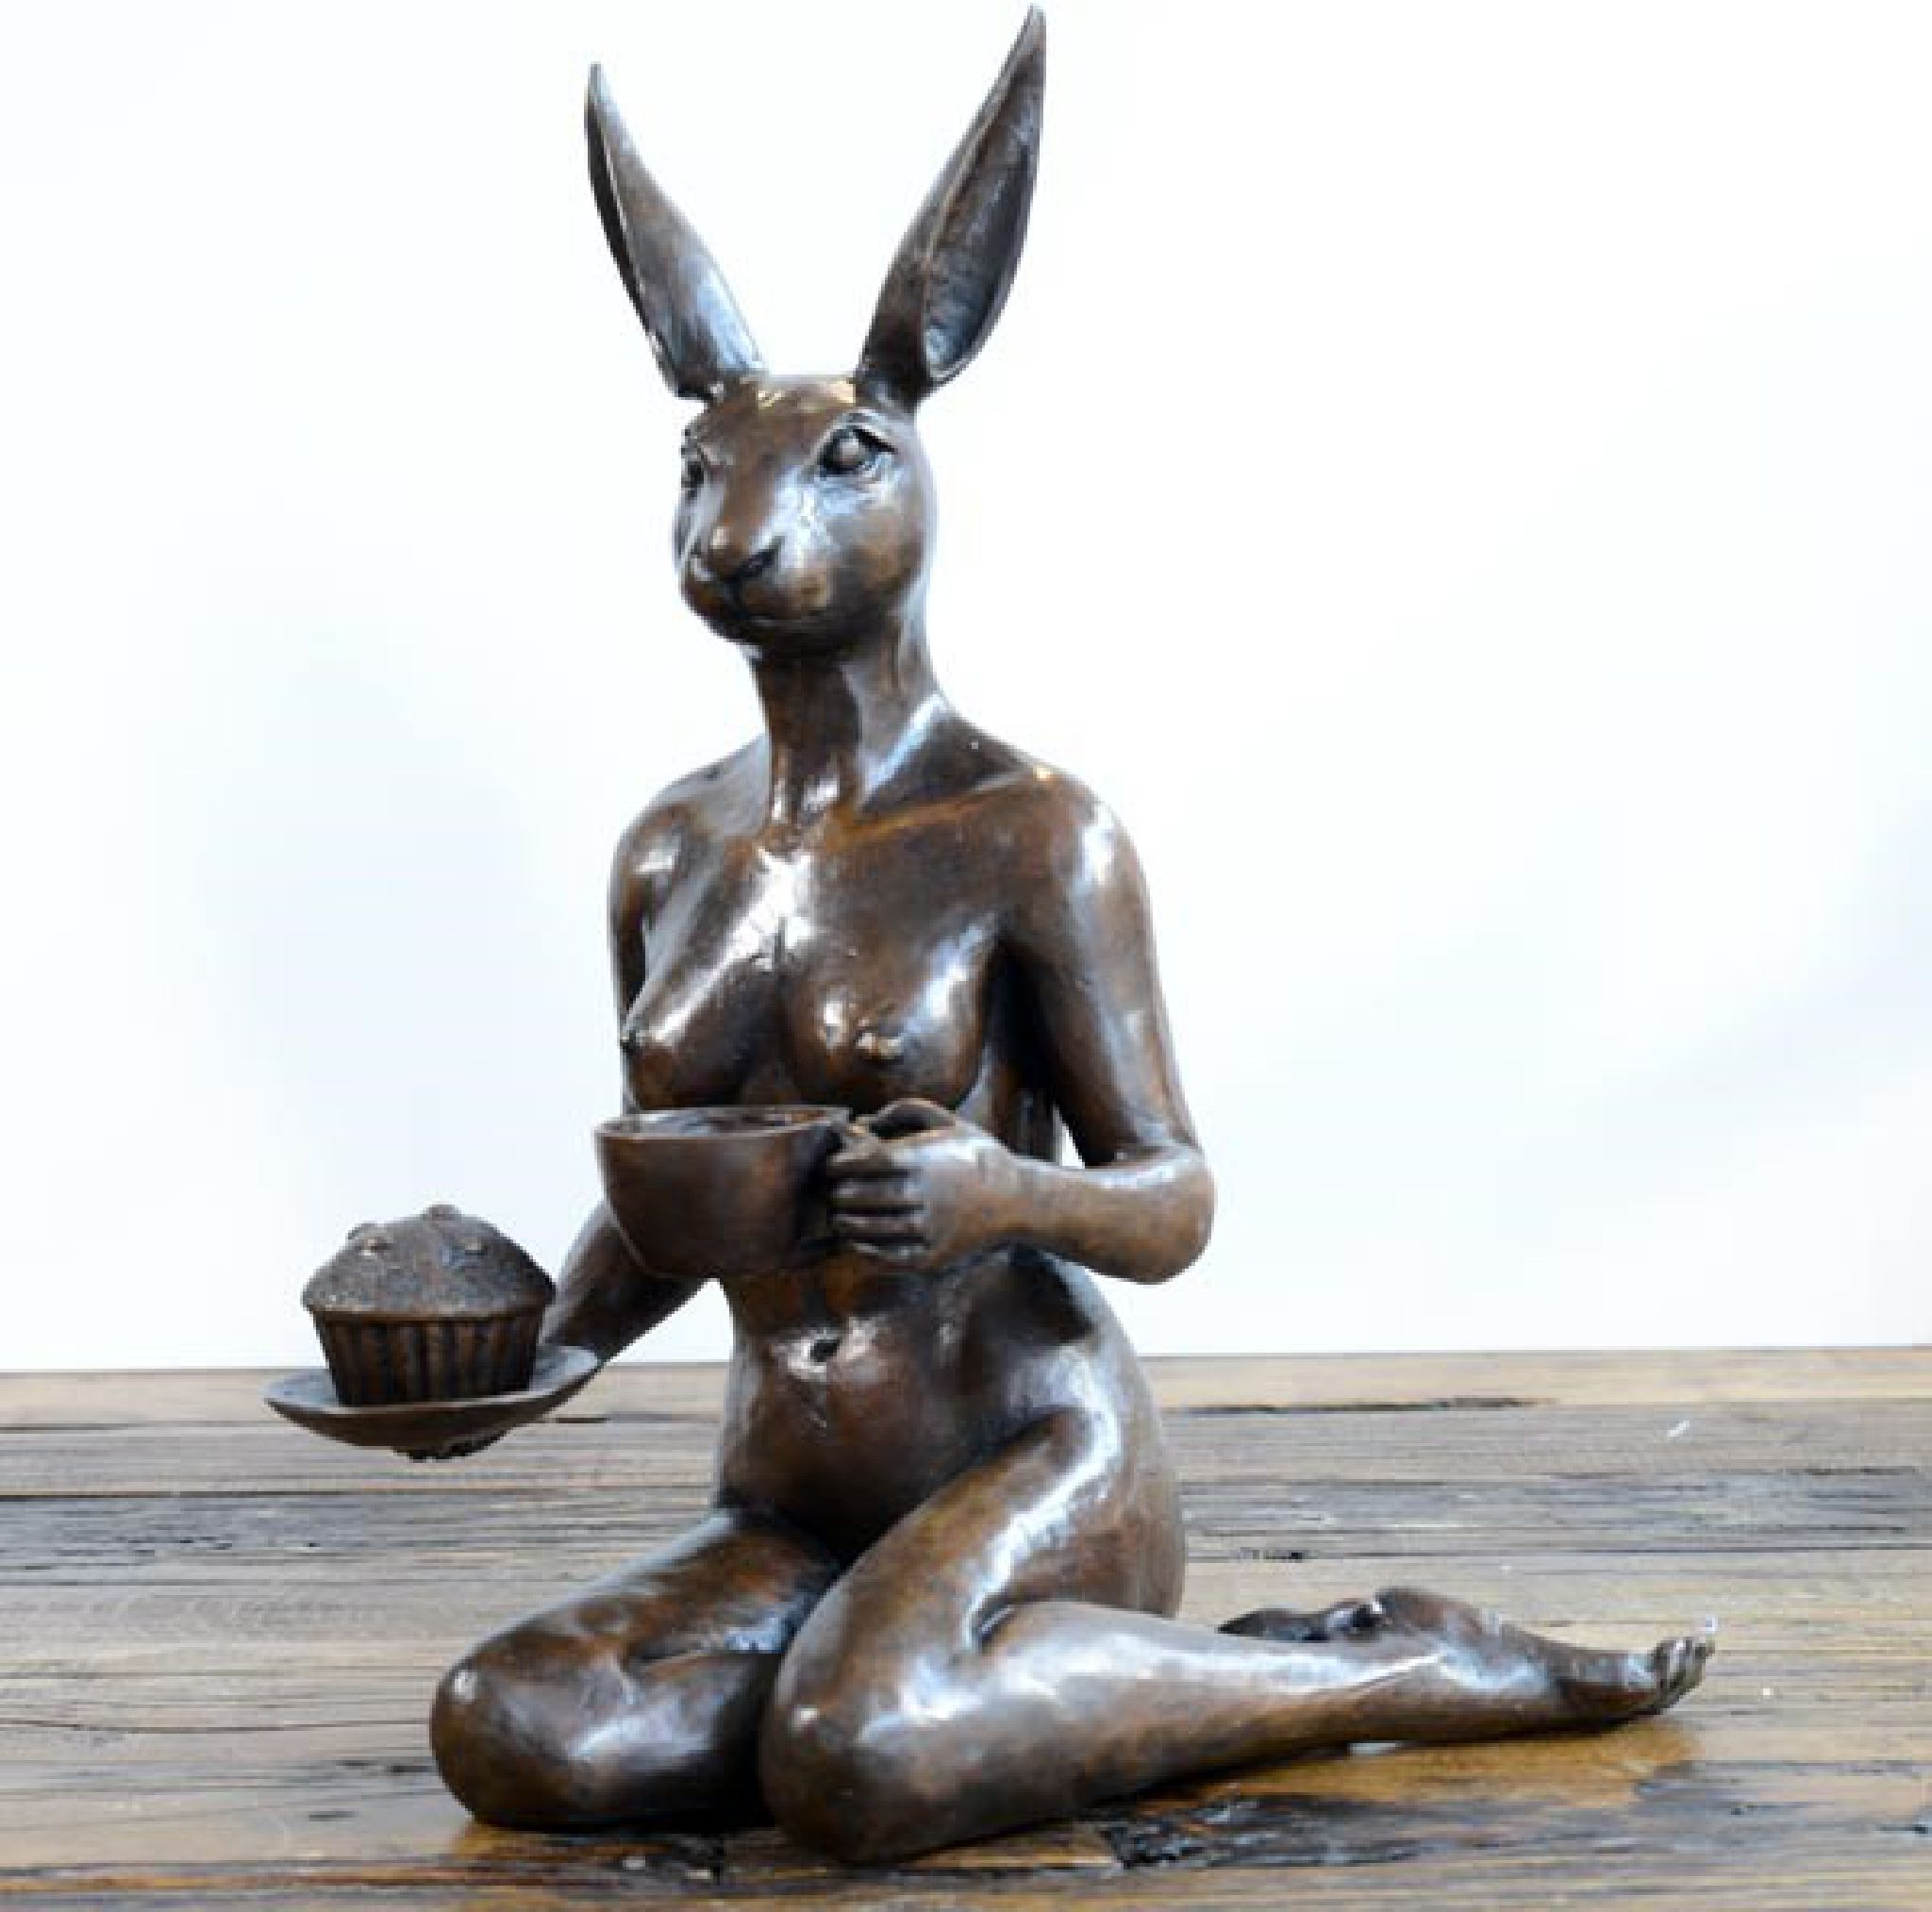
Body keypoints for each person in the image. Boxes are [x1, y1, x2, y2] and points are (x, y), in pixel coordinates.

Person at [427, 14, 1709, 1863]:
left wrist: (995, 1198)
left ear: (910, 478)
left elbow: (1172, 1198)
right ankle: (928, 1691)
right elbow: (673, 1199)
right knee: (513, 1724)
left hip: (1028, 1461)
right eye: (704, 472)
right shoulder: (667, 850)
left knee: (857, 1760)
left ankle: (1394, 1667)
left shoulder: (1030, 832)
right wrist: (526, 1361)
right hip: (790, 1497)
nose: (740, 523)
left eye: (836, 464)